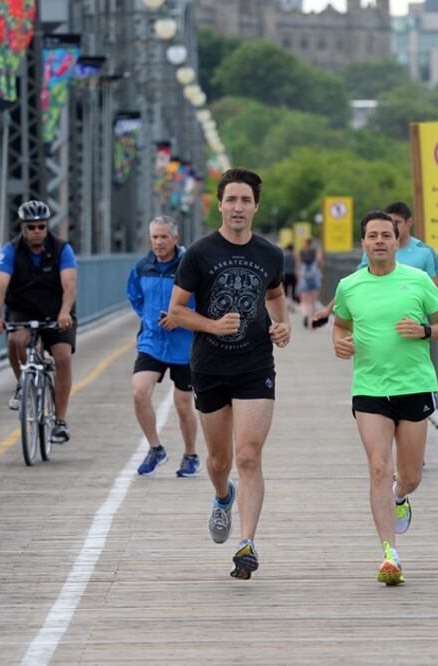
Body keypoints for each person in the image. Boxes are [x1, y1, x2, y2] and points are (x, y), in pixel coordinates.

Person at [169, 168, 290, 580]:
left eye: (246, 201)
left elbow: (274, 293)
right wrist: (212, 325)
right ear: (219, 204)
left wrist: (282, 324)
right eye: (231, 200)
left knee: (248, 455)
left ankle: (247, 543)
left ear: (256, 206)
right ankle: (223, 497)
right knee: (220, 461)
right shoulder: (199, 254)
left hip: (256, 364)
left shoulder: (271, 254)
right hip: (210, 366)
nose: (238, 208)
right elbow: (177, 311)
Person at [330, 211, 438, 585]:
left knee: (409, 474)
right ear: (363, 243)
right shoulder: (349, 286)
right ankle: (389, 554)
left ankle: (401, 495)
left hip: (414, 385)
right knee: (377, 466)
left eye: (385, 235)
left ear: (397, 239)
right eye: (372, 236)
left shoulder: (418, 280)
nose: (379, 241)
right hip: (370, 388)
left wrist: (423, 330)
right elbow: (341, 323)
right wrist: (339, 344)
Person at [0, 200, 77, 444]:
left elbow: (69, 284)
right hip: (23, 310)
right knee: (15, 341)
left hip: (56, 311)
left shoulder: (62, 249)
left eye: (41, 226)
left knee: (63, 357)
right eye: (31, 227)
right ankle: (22, 383)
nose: (37, 231)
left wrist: (65, 311)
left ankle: (60, 420)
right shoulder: (11, 250)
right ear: (23, 228)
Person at [126, 216, 200, 478]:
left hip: (184, 345)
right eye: (155, 237)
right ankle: (156, 448)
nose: (158, 242)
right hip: (152, 342)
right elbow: (134, 296)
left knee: (182, 404)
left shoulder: (189, 266)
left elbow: (202, 301)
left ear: (175, 239)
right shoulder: (142, 267)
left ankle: (191, 455)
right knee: (139, 391)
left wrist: (180, 318)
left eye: (163, 237)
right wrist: (149, 319)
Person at [312, 202, 438, 326]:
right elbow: (353, 284)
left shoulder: (425, 252)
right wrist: (329, 309)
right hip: (378, 321)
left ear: (409, 222)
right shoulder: (374, 252)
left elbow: (437, 292)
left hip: (412, 328)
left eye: (397, 222)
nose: (392, 226)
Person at [296, 237, 324, 327]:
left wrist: (298, 277)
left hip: (304, 277)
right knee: (313, 301)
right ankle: (312, 319)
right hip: (314, 276)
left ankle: (304, 315)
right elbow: (320, 263)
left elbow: (298, 265)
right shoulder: (316, 252)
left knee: (303, 300)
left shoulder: (301, 252)